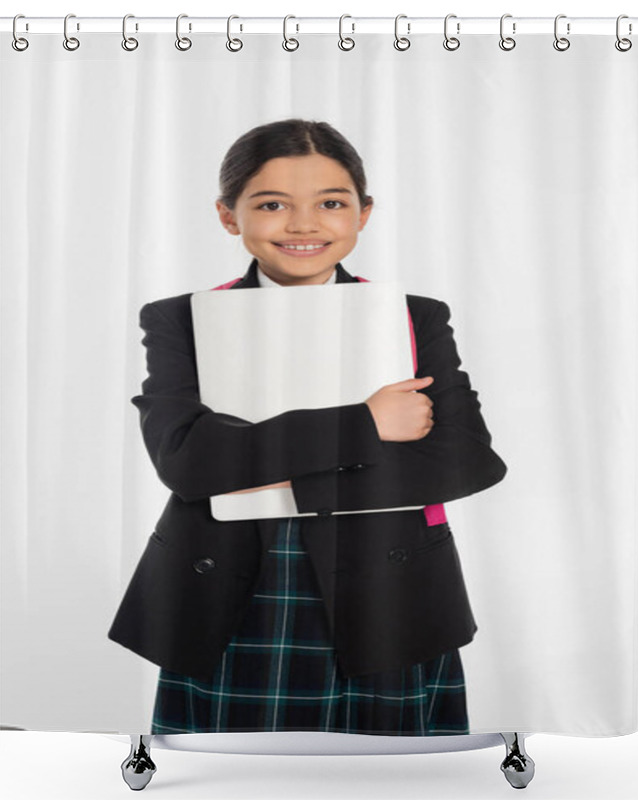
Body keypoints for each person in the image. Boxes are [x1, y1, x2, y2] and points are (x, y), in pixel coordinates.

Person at [108, 119, 508, 736]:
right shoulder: (180, 320)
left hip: (388, 578)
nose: (303, 224)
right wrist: (366, 422)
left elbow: (466, 460)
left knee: (395, 773)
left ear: (363, 213)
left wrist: (254, 463)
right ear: (227, 215)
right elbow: (189, 464)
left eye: (331, 203)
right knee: (230, 769)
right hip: (230, 580)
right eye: (271, 204)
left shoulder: (415, 317)